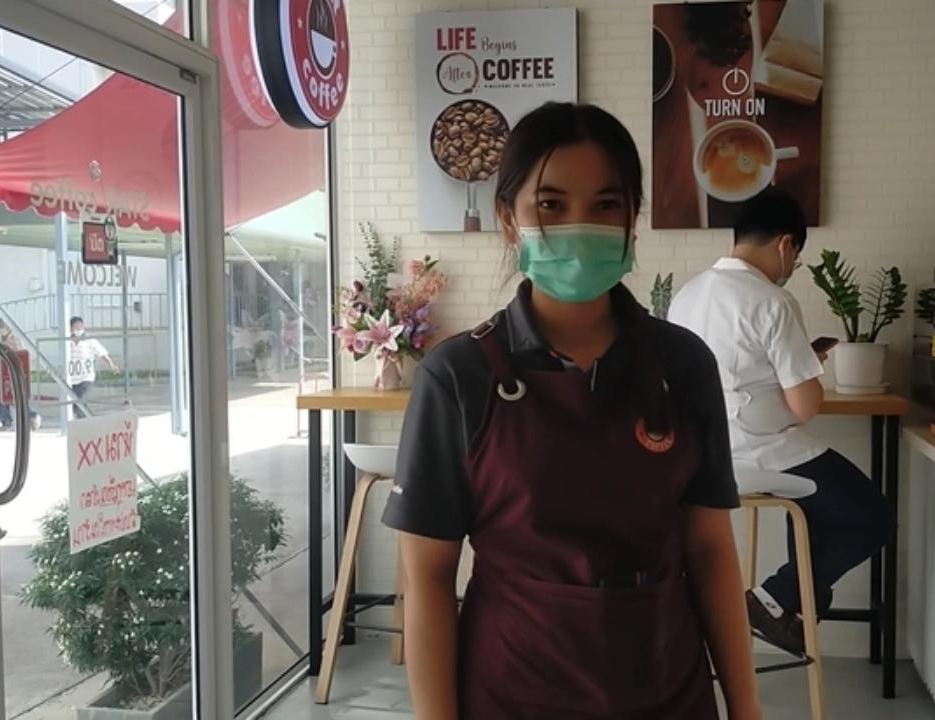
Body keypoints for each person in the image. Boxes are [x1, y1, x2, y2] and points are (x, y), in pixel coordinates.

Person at [382, 102, 761, 720]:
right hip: (512, 690)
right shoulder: (459, 377)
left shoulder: (684, 364)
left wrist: (747, 709)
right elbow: (427, 579)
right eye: (551, 205)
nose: (579, 226)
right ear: (508, 219)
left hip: (667, 687)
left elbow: (711, 550)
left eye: (606, 205)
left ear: (633, 217)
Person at [669, 189, 894, 658]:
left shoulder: (687, 296)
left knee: (816, 507)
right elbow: (806, 406)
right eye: (796, 257)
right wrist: (809, 370)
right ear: (786, 245)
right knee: (872, 517)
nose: (791, 268)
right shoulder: (771, 300)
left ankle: (793, 606)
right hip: (761, 452)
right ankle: (776, 599)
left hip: (705, 459)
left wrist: (791, 366)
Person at [0, 318, 42, 430]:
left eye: (3, 327)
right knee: (5, 399)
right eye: (0, 327)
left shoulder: (16, 339)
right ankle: (7, 421)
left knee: (15, 399)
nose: (2, 329)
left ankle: (31, 417)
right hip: (4, 374)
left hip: (15, 373)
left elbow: (22, 355)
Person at [66, 316, 118, 418]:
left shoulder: (90, 341)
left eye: (80, 327)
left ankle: (87, 420)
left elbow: (102, 354)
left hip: (86, 377)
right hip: (72, 379)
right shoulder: (67, 341)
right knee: (75, 404)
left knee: (78, 402)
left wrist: (111, 364)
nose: (79, 330)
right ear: (71, 328)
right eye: (76, 327)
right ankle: (88, 420)